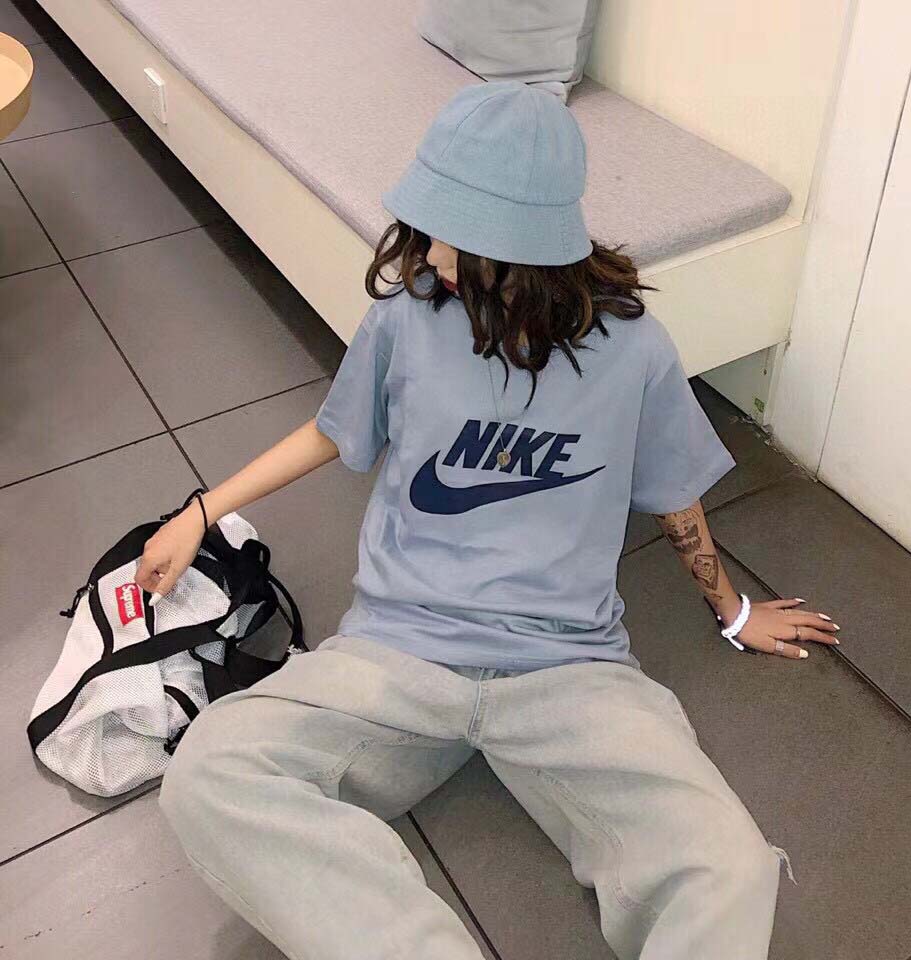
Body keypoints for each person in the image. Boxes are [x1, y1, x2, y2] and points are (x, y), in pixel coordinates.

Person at [139, 81, 838, 960]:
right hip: (398, 652)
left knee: (728, 870)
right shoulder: (406, 320)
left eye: (454, 234)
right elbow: (332, 429)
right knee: (209, 771)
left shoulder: (635, 350)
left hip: (570, 671)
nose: (431, 253)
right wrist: (202, 511)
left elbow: (674, 494)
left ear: (526, 244)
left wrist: (733, 611)